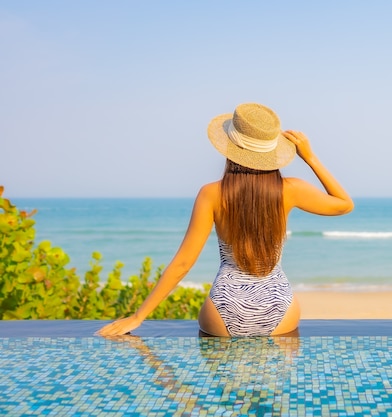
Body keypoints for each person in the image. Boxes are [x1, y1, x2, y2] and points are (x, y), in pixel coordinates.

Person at [97, 103, 353, 337]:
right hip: (278, 308)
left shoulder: (211, 193)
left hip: (223, 309)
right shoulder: (290, 189)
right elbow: (344, 205)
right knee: (274, 382)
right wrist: (310, 157)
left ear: (230, 147)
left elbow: (184, 263)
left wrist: (138, 316)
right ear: (273, 151)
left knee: (225, 380)